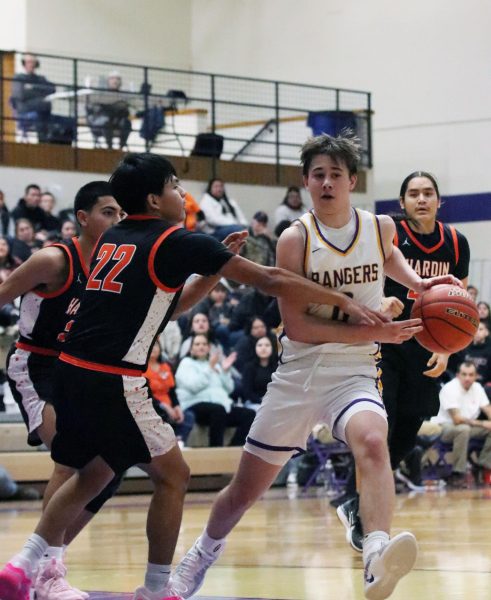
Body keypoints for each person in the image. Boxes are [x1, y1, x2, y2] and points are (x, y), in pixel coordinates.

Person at [0, 151, 389, 600]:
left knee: (93, 470)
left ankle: (22, 566)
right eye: (174, 186)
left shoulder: (114, 239)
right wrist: (341, 300)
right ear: (154, 198)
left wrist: (210, 272)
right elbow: (270, 279)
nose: (182, 193)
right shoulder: (176, 240)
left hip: (70, 373)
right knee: (174, 475)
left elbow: (166, 306)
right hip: (113, 378)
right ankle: (157, 590)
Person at [172, 135, 461, 600]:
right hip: (300, 375)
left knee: (373, 439)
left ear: (352, 181)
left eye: (335, 174)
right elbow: (298, 325)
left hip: (355, 372)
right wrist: (374, 332)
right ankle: (201, 554)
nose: (326, 182)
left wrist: (422, 283)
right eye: (317, 174)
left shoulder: (380, 226)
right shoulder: (296, 238)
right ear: (306, 181)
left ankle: (376, 553)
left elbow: (389, 258)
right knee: (244, 491)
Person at [1, 182, 125, 596]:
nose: (118, 221)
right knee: (74, 457)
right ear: (84, 218)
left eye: (122, 214)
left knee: (108, 471)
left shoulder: (116, 266)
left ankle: (44, 563)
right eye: (108, 212)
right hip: (36, 365)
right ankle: (47, 573)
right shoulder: (54, 259)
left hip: (80, 369)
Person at [337, 170, 470, 552]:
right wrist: (375, 304)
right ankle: (357, 506)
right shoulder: (387, 234)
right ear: (402, 202)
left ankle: (359, 502)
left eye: (428, 193)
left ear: (439, 201)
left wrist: (446, 350)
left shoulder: (456, 244)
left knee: (409, 428)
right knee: (383, 422)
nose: (422, 199)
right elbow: (357, 278)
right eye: (413, 194)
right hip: (383, 341)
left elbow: (459, 308)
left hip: (425, 345)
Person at [175, 334, 254, 447]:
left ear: (208, 348)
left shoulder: (215, 365)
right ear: (191, 349)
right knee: (218, 410)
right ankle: (216, 448)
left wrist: (225, 371)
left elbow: (229, 389)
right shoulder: (186, 363)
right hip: (194, 404)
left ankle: (232, 448)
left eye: (204, 344)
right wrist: (209, 368)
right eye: (197, 344)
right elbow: (193, 386)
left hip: (219, 407)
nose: (201, 346)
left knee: (249, 414)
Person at [434, 361, 491, 487]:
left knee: (467, 428)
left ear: (476, 376)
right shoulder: (450, 388)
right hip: (444, 428)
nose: (467, 378)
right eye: (464, 374)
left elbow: (488, 409)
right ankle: (457, 473)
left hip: (468, 427)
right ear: (458, 375)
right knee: (463, 429)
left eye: (471, 375)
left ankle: (483, 465)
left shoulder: (478, 388)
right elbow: (457, 419)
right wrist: (483, 423)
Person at [144, 340, 194, 445]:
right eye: (150, 345)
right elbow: (146, 394)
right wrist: (165, 407)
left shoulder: (166, 367)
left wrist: (177, 407)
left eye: (156, 345)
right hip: (153, 406)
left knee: (188, 415)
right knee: (163, 414)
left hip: (169, 405)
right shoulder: (142, 369)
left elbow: (172, 391)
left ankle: (180, 441)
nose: (153, 348)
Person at [10, 53, 55, 142]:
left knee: (63, 121)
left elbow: (52, 89)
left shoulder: (41, 79)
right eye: (29, 62)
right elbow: (20, 95)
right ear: (24, 63)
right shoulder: (18, 78)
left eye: (33, 62)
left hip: (44, 111)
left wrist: (33, 87)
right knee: (40, 116)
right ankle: (42, 143)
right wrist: (40, 93)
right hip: (25, 111)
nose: (31, 64)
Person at [86, 70, 132, 149]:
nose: (115, 81)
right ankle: (109, 147)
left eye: (118, 79)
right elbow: (91, 109)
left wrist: (122, 107)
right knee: (106, 120)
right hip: (101, 121)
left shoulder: (123, 96)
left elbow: (126, 113)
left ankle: (121, 147)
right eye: (113, 79)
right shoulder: (101, 93)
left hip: (117, 121)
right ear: (108, 81)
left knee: (127, 123)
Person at [241, 336, 276, 411]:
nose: (263, 348)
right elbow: (247, 392)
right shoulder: (249, 367)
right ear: (255, 348)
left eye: (267, 345)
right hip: (255, 403)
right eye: (260, 345)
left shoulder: (277, 367)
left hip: (274, 402)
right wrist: (262, 401)